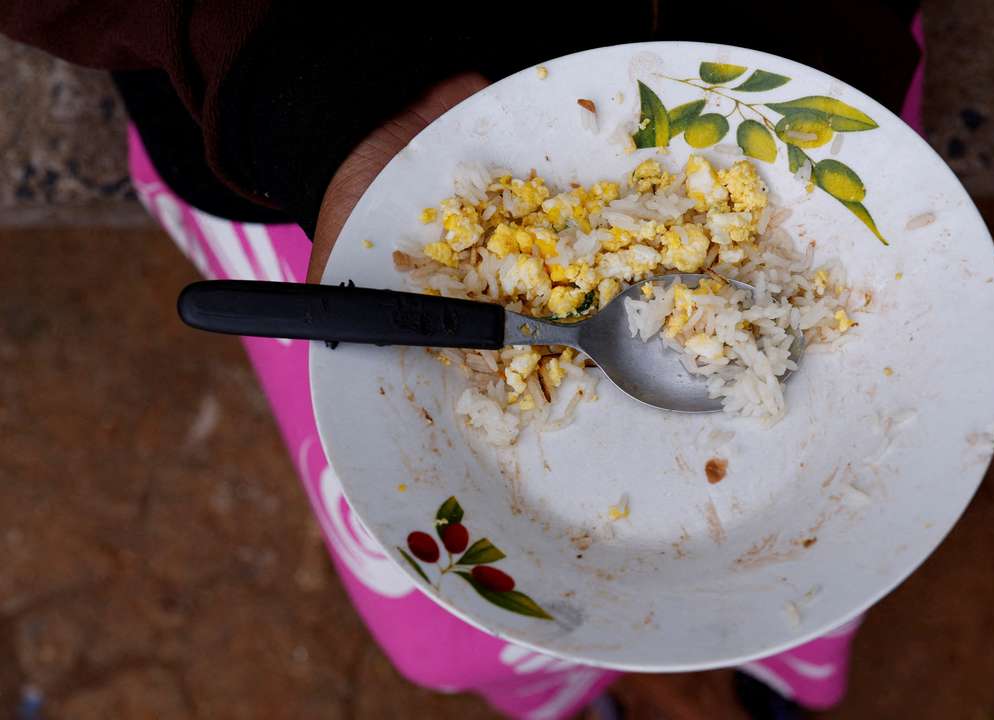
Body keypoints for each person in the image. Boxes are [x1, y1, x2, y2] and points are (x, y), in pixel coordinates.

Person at [2, 3, 924, 717]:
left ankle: (766, 670)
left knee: (837, 549)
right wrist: (311, 84)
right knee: (457, 635)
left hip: (796, 86)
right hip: (298, 138)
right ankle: (572, 693)